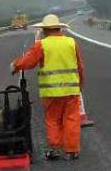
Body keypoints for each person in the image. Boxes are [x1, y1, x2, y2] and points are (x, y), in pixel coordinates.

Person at [11, 13, 85, 160]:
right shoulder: (71, 42)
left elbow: (29, 62)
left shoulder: (42, 45)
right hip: (71, 90)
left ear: (45, 30)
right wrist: (80, 83)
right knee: (72, 119)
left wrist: (15, 66)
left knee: (53, 120)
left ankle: (55, 149)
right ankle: (72, 150)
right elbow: (80, 65)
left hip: (52, 92)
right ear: (59, 28)